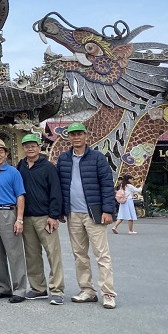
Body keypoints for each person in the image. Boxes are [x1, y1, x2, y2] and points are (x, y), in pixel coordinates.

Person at [56, 122, 117, 309]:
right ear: (69, 137)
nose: (76, 137)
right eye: (72, 134)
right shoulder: (64, 159)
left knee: (101, 254)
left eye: (79, 134)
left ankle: (108, 293)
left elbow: (107, 185)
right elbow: (60, 185)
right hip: (73, 213)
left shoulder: (97, 158)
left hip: (94, 213)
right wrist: (60, 210)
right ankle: (87, 290)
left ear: (86, 136)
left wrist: (108, 210)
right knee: (79, 254)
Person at [17, 133, 65, 305]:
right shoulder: (20, 166)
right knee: (32, 255)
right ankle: (38, 288)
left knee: (53, 254)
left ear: (39, 147)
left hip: (45, 217)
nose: (30, 148)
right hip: (27, 217)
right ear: (23, 148)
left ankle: (57, 290)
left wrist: (53, 215)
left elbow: (56, 192)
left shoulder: (48, 167)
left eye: (33, 146)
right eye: (27, 146)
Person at [0, 137, 28, 303]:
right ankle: (3, 287)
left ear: (6, 154)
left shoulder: (13, 172)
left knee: (14, 253)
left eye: (0, 151)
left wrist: (19, 219)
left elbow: (20, 196)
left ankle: (20, 289)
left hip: (8, 213)